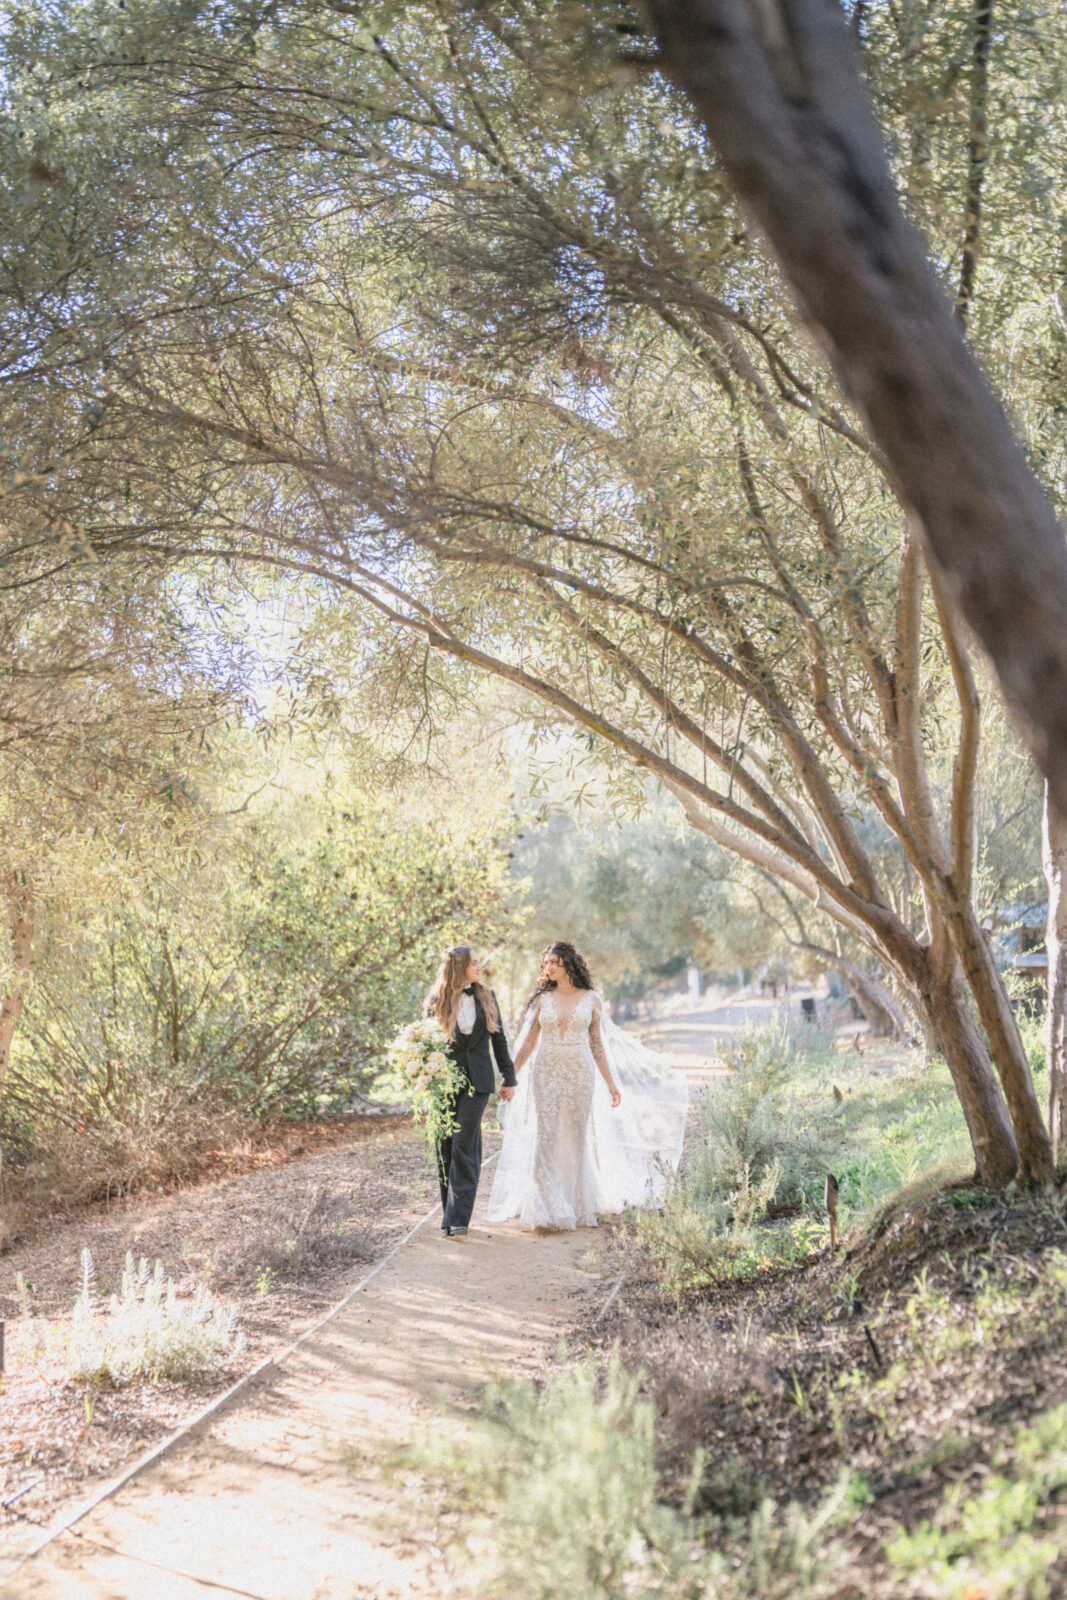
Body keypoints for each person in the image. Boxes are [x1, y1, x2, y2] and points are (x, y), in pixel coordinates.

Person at [487, 941, 688, 1232]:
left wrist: (611, 1084)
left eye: (554, 962)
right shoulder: (543, 999)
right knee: (546, 1135)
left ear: (569, 963)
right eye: (546, 964)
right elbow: (530, 1041)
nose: (549, 968)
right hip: (547, 1071)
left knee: (575, 1136)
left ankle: (573, 1202)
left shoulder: (592, 999)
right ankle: (546, 1206)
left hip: (580, 1071)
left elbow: (596, 1044)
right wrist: (511, 1076)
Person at [424, 945, 516, 1238]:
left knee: (464, 1143)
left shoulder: (487, 996)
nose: (479, 967)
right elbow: (424, 1042)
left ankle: (458, 1218)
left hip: (479, 1082)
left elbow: (499, 1040)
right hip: (444, 1082)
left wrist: (509, 1077)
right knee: (445, 1145)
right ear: (459, 967)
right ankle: (450, 1212)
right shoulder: (436, 1000)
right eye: (474, 963)